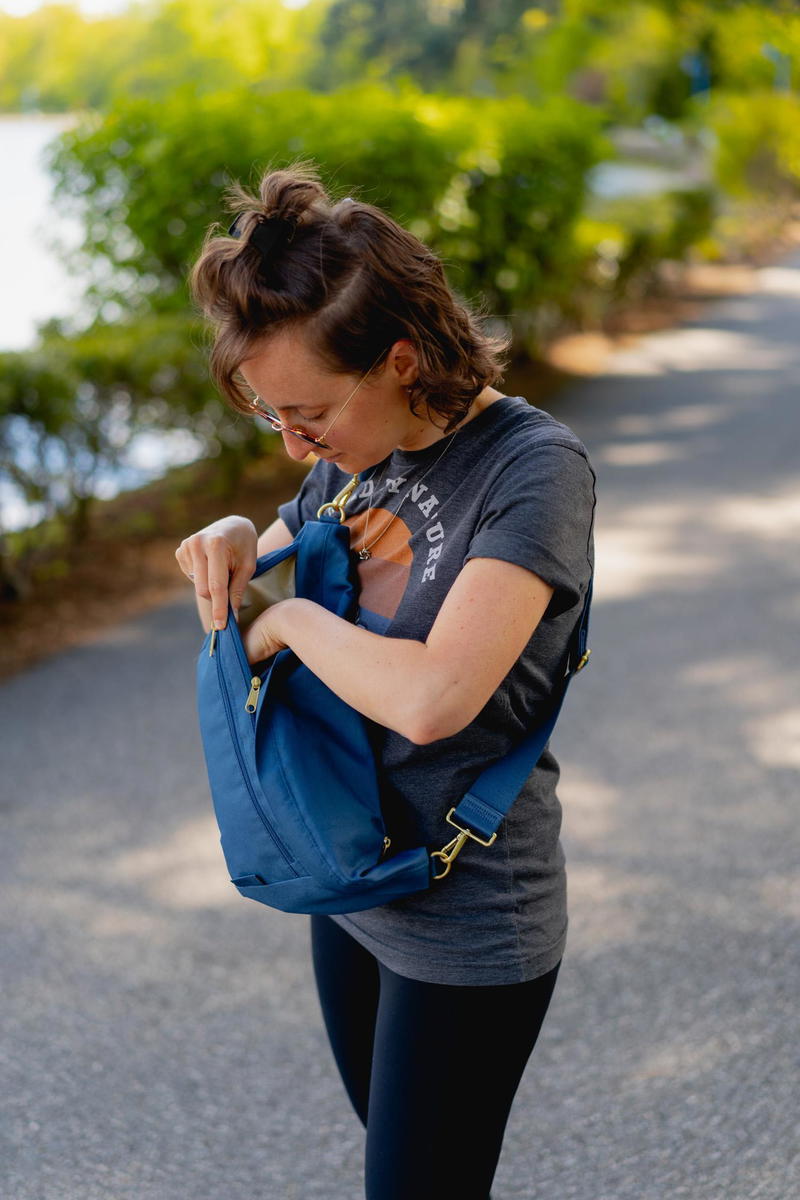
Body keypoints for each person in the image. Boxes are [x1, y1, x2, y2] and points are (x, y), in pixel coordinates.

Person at [176, 160, 597, 1200]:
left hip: (465, 911)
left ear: (399, 360)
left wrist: (297, 624)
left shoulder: (531, 470)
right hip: (353, 876)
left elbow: (431, 696)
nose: (292, 441)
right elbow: (290, 525)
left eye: (306, 413)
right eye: (274, 417)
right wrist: (239, 532)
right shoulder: (359, 449)